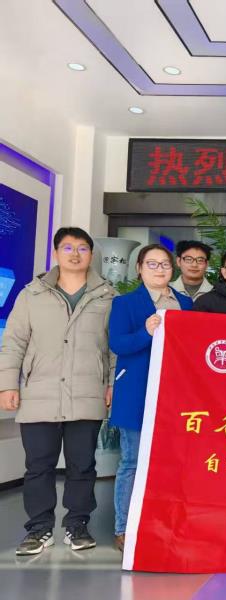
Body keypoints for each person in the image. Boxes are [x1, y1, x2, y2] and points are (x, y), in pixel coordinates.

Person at [0, 227, 116, 555]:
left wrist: (112, 385)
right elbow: (14, 342)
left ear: (91, 255)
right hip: (40, 391)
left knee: (82, 465)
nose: (75, 254)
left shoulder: (107, 297)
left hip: (87, 391)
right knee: (39, 465)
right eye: (67, 247)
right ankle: (39, 529)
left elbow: (113, 349)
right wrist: (7, 384)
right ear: (56, 253)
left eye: (82, 248)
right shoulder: (32, 294)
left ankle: (77, 524)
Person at [108, 244, 192, 552]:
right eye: (152, 264)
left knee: (172, 462)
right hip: (137, 392)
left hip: (177, 396)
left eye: (165, 265)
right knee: (132, 461)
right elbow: (118, 344)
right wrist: (145, 332)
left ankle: (164, 523)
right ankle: (124, 527)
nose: (160, 270)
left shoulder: (185, 303)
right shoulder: (125, 303)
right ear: (139, 268)